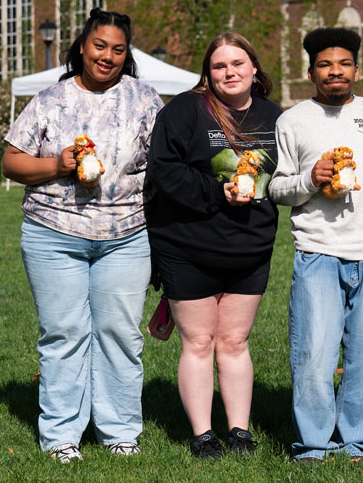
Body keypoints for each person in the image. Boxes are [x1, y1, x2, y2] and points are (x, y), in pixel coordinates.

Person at [2, 8, 163, 462]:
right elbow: (12, 162)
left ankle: (119, 431)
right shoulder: (51, 99)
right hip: (53, 234)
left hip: (127, 236)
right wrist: (57, 164)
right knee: (64, 332)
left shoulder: (146, 100)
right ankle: (60, 436)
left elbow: (163, 167)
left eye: (117, 49)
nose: (107, 56)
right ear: (81, 46)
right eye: (99, 46)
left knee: (119, 332)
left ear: (126, 54)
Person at [145, 32, 281, 458]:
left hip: (251, 248)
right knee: (200, 341)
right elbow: (163, 173)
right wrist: (215, 192)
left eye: (238, 63)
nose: (230, 72)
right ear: (209, 72)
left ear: (254, 68)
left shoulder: (275, 117)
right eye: (220, 66)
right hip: (189, 246)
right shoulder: (186, 110)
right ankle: (203, 435)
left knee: (236, 342)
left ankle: (239, 431)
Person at [268, 27, 363, 463]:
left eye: (343, 64)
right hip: (318, 252)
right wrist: (311, 180)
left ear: (357, 70)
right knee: (313, 356)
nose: (335, 72)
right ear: (311, 72)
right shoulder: (293, 120)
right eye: (325, 65)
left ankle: (357, 442)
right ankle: (313, 446)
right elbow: (277, 189)